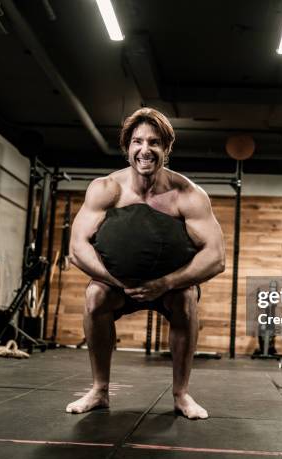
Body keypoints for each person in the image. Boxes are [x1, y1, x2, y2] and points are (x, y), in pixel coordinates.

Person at [65, 107, 226, 420]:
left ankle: (181, 394)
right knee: (94, 296)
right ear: (127, 147)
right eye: (137, 141)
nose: (145, 149)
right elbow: (77, 248)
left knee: (185, 298)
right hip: (117, 285)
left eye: (154, 142)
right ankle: (99, 390)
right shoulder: (105, 189)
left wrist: (166, 283)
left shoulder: (187, 195)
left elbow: (216, 256)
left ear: (166, 148)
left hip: (168, 287)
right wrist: (116, 281)